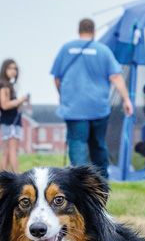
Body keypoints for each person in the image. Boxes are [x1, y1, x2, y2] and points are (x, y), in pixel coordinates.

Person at [51, 18, 133, 178]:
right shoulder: (102, 50)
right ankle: (102, 182)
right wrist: (126, 100)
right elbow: (116, 77)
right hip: (98, 107)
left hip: (73, 108)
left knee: (77, 144)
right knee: (98, 144)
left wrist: (63, 96)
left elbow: (57, 78)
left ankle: (80, 183)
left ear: (78, 30)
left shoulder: (66, 49)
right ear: (94, 31)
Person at [0, 59, 28, 172]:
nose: (13, 71)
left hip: (9, 121)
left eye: (15, 68)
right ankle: (17, 176)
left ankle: (2, 178)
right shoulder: (4, 86)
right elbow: (5, 105)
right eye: (10, 68)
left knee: (8, 152)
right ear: (4, 70)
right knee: (12, 150)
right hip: (10, 122)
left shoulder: (8, 85)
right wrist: (20, 100)